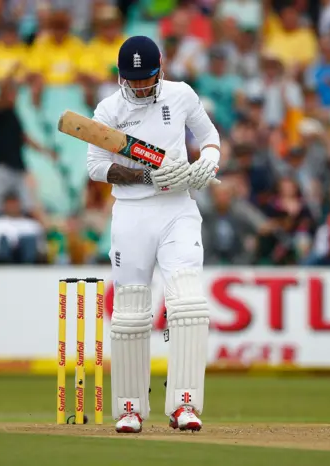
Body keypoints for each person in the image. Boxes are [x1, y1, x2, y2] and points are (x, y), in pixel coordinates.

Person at [86, 35, 220, 433]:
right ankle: (130, 407)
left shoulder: (180, 95)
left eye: (147, 79)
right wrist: (146, 174)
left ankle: (184, 404)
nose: (141, 87)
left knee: (189, 303)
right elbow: (96, 167)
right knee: (130, 312)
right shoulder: (108, 108)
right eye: (133, 80)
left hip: (179, 209)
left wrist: (206, 164)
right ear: (121, 76)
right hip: (132, 212)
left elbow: (210, 139)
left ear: (160, 70)